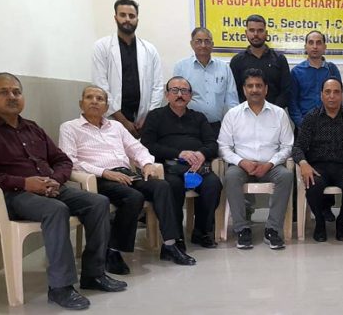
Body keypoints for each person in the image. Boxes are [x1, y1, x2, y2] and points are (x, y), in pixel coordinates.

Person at [0, 73, 126, 310]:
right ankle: (60, 287)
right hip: (13, 195)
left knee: (98, 202)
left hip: (51, 188)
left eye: (16, 91)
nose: (12, 97)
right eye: (4, 92)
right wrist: (25, 183)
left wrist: (55, 180)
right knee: (57, 210)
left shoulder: (32, 128)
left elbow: (62, 160)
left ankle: (94, 274)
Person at [59, 86, 196, 273]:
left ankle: (170, 245)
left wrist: (147, 164)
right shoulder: (70, 127)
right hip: (98, 178)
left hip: (127, 174)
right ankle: (113, 251)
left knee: (162, 186)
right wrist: (105, 172)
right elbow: (70, 162)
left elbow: (137, 148)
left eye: (100, 99)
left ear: (106, 106)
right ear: (80, 103)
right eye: (89, 97)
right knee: (133, 197)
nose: (94, 101)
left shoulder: (115, 126)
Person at [141, 76, 223, 248]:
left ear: (190, 96)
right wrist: (179, 153)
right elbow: (147, 146)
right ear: (166, 94)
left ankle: (201, 232)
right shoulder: (155, 116)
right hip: (168, 168)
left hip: (196, 168)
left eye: (184, 91)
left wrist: (201, 154)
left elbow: (212, 144)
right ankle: (175, 236)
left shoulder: (199, 118)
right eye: (175, 90)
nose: (180, 94)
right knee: (173, 186)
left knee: (213, 184)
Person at [218, 68, 294, 250]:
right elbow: (223, 147)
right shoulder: (233, 114)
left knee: (286, 176)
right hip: (242, 165)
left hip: (270, 165)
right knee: (231, 176)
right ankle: (242, 229)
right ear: (244, 89)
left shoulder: (279, 114)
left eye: (258, 85)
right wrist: (241, 162)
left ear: (266, 89)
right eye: (250, 86)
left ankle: (272, 229)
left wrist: (269, 164)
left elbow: (287, 146)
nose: (254, 90)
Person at [292, 77, 343, 242]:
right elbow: (298, 147)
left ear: (342, 95)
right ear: (321, 95)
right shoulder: (311, 118)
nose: (332, 96)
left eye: (336, 92)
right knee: (312, 183)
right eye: (328, 92)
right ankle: (320, 223)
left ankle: (342, 222)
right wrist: (304, 163)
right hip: (318, 166)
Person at [92, 0, 163, 137]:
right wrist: (123, 121)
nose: (127, 19)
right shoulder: (102, 47)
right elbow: (100, 86)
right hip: (112, 117)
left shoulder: (149, 49)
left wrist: (148, 117)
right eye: (122, 15)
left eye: (132, 16)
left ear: (137, 19)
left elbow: (158, 87)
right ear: (115, 18)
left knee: (140, 156)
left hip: (142, 120)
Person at [289, 30, 342, 222]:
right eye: (311, 42)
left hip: (329, 127)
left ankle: (326, 208)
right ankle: (297, 209)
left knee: (329, 165)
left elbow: (337, 97)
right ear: (305, 46)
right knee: (301, 165)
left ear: (324, 47)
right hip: (304, 127)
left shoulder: (332, 70)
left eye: (319, 42)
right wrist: (303, 125)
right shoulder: (296, 72)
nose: (314, 46)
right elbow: (292, 103)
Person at [173, 27, 238, 135]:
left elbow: (232, 100)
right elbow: (176, 98)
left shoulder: (224, 68)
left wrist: (232, 127)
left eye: (207, 41)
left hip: (217, 127)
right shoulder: (181, 67)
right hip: (189, 127)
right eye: (198, 41)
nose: (203, 45)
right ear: (192, 44)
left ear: (212, 44)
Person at [229, 14, 291, 108]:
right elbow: (234, 92)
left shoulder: (279, 60)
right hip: (245, 117)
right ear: (246, 33)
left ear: (266, 33)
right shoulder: (237, 61)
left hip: (274, 116)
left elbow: (286, 91)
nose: (255, 34)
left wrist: (272, 111)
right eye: (252, 30)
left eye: (260, 30)